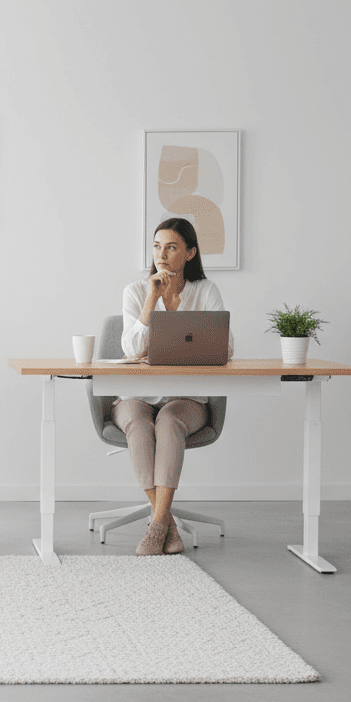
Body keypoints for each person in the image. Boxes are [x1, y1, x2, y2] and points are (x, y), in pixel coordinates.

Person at [116, 218, 234, 556]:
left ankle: (156, 526)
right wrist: (151, 302)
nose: (161, 255)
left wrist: (181, 320)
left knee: (168, 421)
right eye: (157, 247)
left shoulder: (205, 290)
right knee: (138, 424)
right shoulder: (135, 291)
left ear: (189, 253)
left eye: (171, 247)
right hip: (138, 394)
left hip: (185, 397)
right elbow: (131, 349)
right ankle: (165, 523)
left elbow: (226, 348)